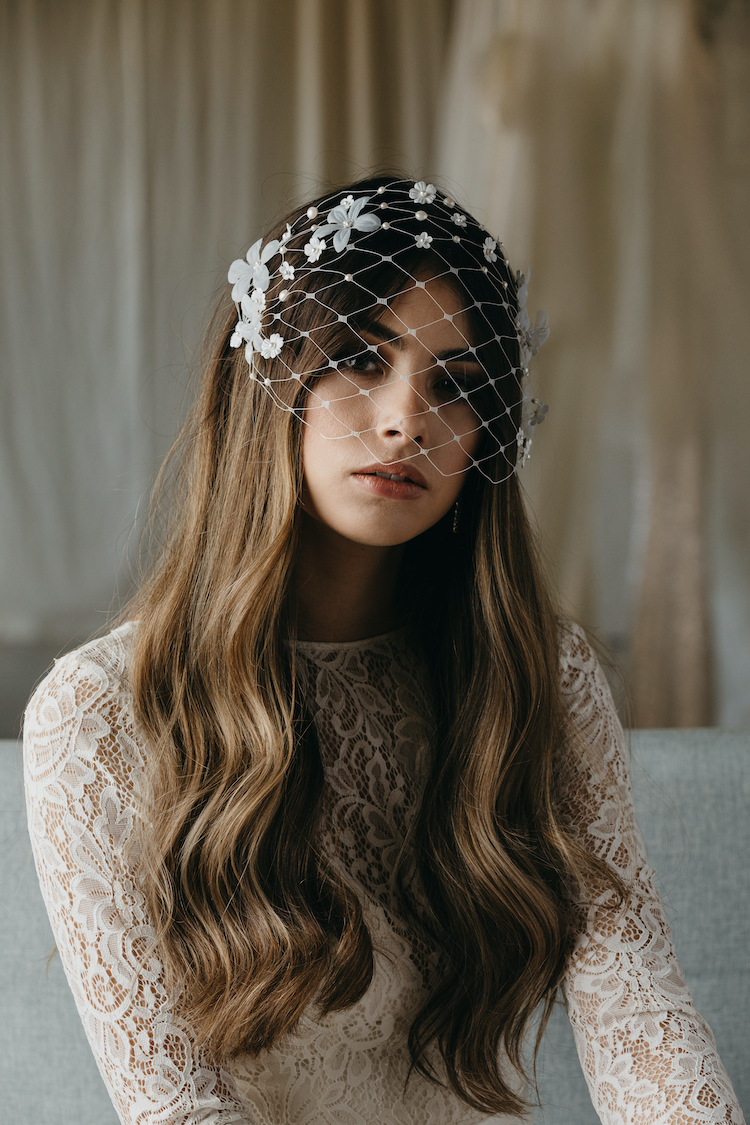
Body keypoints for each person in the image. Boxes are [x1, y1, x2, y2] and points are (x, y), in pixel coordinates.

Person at [23, 176, 744, 1125]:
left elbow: (635, 1003)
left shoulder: (536, 673)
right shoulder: (99, 711)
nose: (407, 419)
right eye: (361, 358)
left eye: (456, 384)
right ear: (269, 379)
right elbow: (176, 1108)